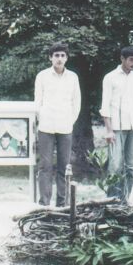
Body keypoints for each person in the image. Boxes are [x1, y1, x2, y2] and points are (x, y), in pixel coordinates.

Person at [99, 46, 133, 203]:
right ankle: (111, 202)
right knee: (115, 167)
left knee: (130, 167)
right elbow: (105, 106)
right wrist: (109, 130)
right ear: (122, 59)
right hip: (116, 128)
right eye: (131, 60)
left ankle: (125, 201)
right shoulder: (110, 77)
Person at [34, 42, 81, 207]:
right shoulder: (42, 76)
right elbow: (37, 101)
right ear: (50, 58)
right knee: (45, 166)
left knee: (64, 166)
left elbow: (76, 102)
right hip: (46, 126)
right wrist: (42, 118)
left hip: (65, 127)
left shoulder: (73, 77)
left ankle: (62, 203)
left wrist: (69, 121)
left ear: (66, 58)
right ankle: (44, 203)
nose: (59, 59)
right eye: (56, 55)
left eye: (62, 55)